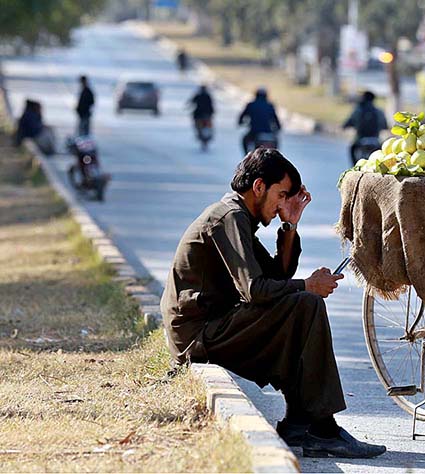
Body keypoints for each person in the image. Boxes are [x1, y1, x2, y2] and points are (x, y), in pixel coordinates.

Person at [160, 148, 386, 459]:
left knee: (300, 306)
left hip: (213, 327)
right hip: (199, 337)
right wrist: (308, 285)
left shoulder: (238, 217)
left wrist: (290, 226)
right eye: (281, 196)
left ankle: (298, 423)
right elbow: (256, 289)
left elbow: (276, 275)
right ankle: (323, 429)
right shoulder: (230, 217)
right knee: (305, 305)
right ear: (258, 187)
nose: (282, 205)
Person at [342, 91, 388, 166]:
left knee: (351, 149)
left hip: (360, 141)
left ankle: (354, 169)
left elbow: (348, 123)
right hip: (375, 141)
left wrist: (346, 126)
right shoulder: (379, 112)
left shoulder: (358, 110)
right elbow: (385, 126)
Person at [238, 88, 282, 155]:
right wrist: (278, 128)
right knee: (276, 141)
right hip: (268, 132)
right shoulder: (270, 105)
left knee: (244, 139)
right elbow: (275, 119)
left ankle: (246, 157)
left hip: (254, 132)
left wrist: (241, 122)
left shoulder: (251, 105)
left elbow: (242, 117)